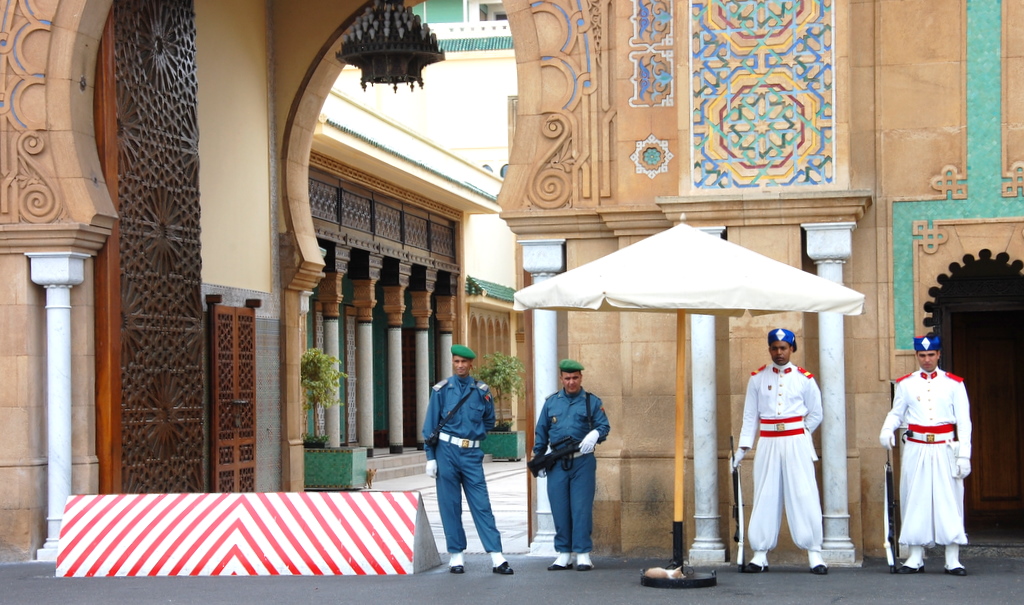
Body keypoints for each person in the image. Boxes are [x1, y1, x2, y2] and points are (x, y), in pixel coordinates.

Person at [733, 328, 828, 575]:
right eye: (774, 348)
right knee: (765, 493)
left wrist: (801, 432)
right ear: (769, 349)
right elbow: (750, 416)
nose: (779, 353)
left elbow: (816, 413)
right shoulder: (757, 378)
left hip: (796, 441)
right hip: (768, 441)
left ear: (791, 349)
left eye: (783, 348)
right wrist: (743, 447)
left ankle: (814, 553)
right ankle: (760, 553)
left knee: (804, 493)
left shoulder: (805, 378)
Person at [879, 335, 972, 576]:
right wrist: (887, 429)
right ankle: (915, 557)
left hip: (945, 447)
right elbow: (896, 413)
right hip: (916, 446)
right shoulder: (906, 383)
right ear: (917, 356)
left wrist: (964, 455)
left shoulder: (954, 384)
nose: (927, 359)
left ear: (939, 354)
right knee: (914, 498)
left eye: (931, 355)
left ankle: (952, 559)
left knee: (949, 500)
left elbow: (964, 422)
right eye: (922, 355)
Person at [422, 344, 513, 575]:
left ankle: (497, 556)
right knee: (450, 505)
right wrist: (431, 457)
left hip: (471, 453)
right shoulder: (442, 390)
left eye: (464, 362)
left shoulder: (482, 391)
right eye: (456, 361)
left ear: (471, 364)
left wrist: (474, 432)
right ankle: (456, 556)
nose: (460, 365)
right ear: (453, 363)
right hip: (446, 452)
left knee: (482, 504)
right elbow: (430, 425)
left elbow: (489, 420)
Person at [533, 359, 611, 572]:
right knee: (559, 508)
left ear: (581, 378)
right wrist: (539, 457)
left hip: (582, 461)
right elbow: (542, 431)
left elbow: (604, 426)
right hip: (557, 463)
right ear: (561, 378)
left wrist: (595, 434)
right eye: (567, 378)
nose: (571, 382)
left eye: (575, 377)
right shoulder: (551, 403)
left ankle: (583, 553)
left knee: (581, 509)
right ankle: (564, 554)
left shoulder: (591, 402)